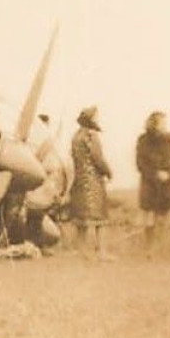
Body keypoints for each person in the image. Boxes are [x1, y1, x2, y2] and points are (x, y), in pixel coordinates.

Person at [135, 110, 170, 258]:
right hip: (150, 185)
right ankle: (149, 251)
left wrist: (169, 174)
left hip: (169, 186)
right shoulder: (143, 140)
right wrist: (154, 174)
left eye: (165, 123)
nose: (165, 125)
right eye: (162, 122)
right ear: (153, 124)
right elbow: (140, 164)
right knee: (149, 218)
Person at [68, 106, 113, 259]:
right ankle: (102, 252)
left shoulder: (75, 137)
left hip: (79, 180)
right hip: (93, 181)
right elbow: (98, 158)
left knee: (82, 220)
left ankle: (82, 252)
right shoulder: (91, 136)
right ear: (91, 119)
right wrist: (108, 171)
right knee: (100, 219)